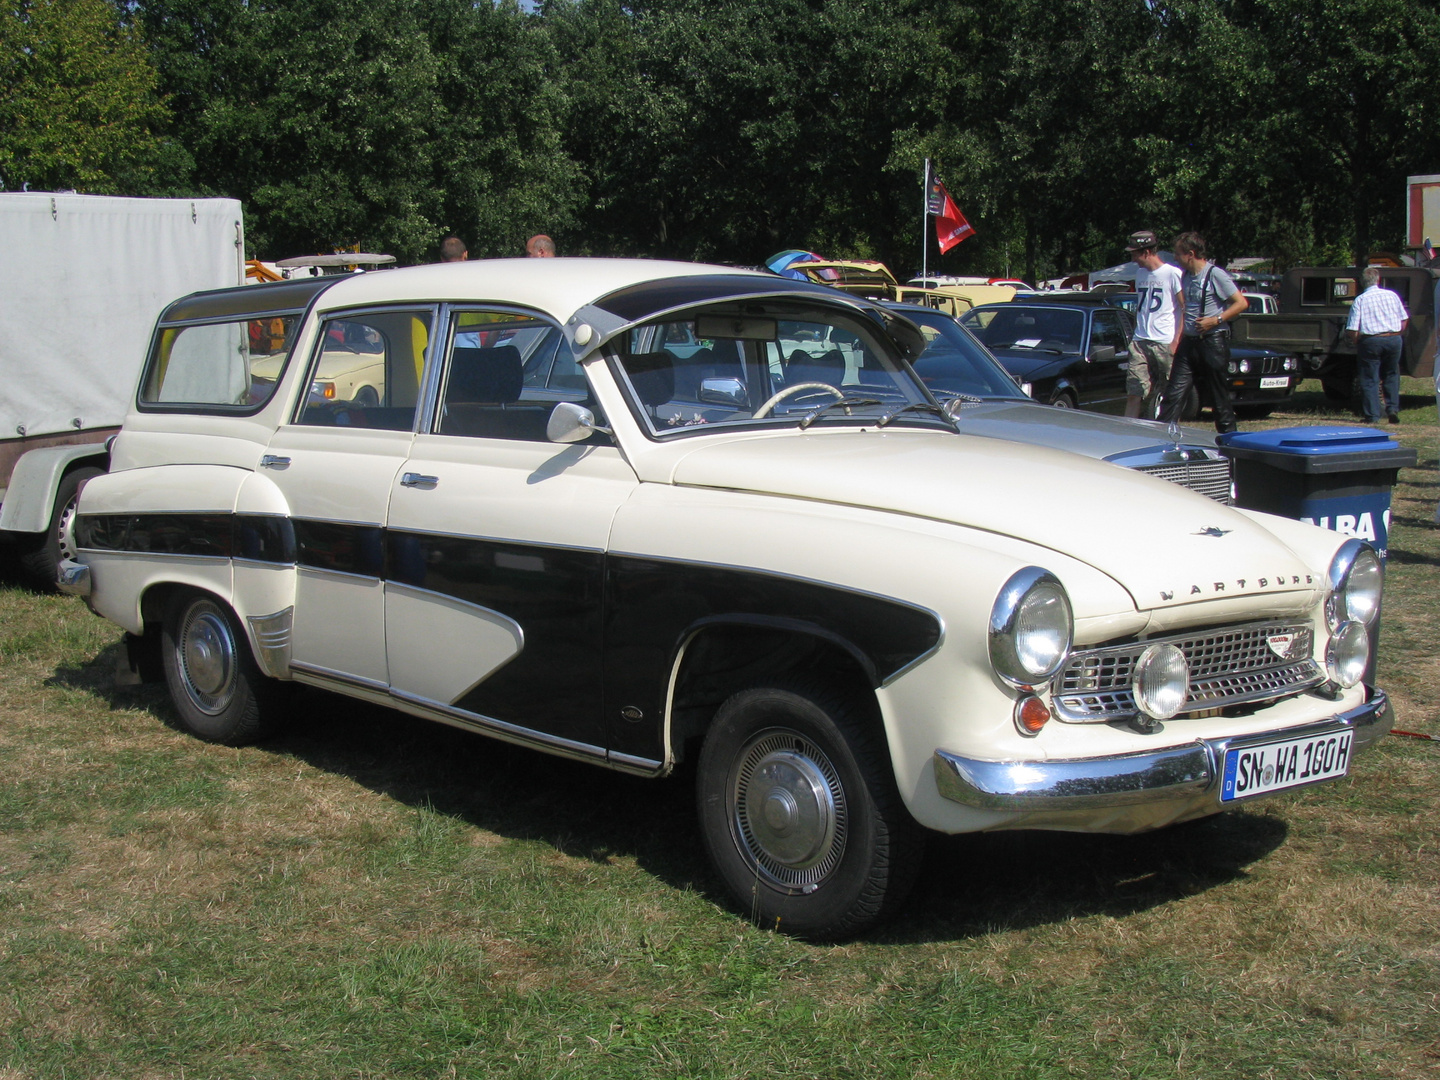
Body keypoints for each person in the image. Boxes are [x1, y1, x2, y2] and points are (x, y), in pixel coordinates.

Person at [1159, 232, 1247, 433]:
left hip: (1212, 342)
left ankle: (1230, 442)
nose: (1175, 258)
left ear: (1191, 254)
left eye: (1178, 254)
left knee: (1218, 397)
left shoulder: (1215, 274)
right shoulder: (1186, 276)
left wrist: (1215, 320)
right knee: (1173, 393)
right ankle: (1160, 437)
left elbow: (1241, 303)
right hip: (1189, 343)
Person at [1124, 229, 1183, 419]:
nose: (1134, 258)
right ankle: (1128, 430)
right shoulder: (1140, 274)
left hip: (1164, 341)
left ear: (1146, 252)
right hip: (1140, 339)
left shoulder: (1172, 273)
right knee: (1134, 389)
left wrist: (1176, 340)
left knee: (1169, 391)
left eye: (1135, 253)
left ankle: (1168, 428)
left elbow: (1185, 307)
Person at [1346, 266, 1408, 425]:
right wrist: (1397, 334)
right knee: (1392, 374)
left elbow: (1353, 328)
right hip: (1393, 338)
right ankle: (1392, 408)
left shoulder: (1360, 300)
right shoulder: (1392, 295)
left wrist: (1356, 341)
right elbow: (1404, 319)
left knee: (1369, 378)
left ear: (1362, 282)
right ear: (1378, 280)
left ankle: (1373, 415)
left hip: (1371, 340)